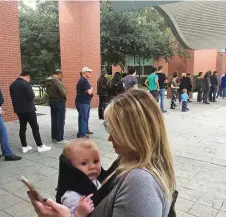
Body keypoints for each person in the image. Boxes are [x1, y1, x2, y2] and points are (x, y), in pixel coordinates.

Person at [28, 88, 176, 217]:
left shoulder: (141, 183)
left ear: (134, 133)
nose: (109, 137)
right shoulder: (127, 160)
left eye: (115, 131)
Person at [9, 70, 52, 153]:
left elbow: (13, 99)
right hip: (29, 110)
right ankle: (40, 146)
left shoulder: (12, 85)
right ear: (27, 76)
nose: (29, 80)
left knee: (22, 127)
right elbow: (31, 96)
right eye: (29, 79)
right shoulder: (26, 84)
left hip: (19, 110)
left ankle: (24, 147)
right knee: (35, 127)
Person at [56, 139, 101, 216]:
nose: (92, 166)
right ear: (71, 168)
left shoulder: (93, 179)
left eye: (95, 161)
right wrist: (80, 214)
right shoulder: (72, 196)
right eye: (84, 163)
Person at [46, 69, 68, 144]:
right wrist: (65, 93)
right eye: (61, 75)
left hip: (52, 102)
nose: (61, 77)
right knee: (60, 121)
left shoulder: (48, 80)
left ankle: (54, 137)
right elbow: (62, 92)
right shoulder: (56, 81)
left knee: (54, 120)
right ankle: (60, 138)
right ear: (59, 74)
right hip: (59, 102)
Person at [76, 67, 94, 139]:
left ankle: (85, 130)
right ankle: (82, 134)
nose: (90, 73)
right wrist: (91, 89)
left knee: (85, 117)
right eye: (89, 72)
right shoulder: (83, 81)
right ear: (84, 72)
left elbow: (88, 91)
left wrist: (89, 90)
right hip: (82, 102)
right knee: (83, 117)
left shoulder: (84, 80)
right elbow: (90, 92)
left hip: (84, 102)